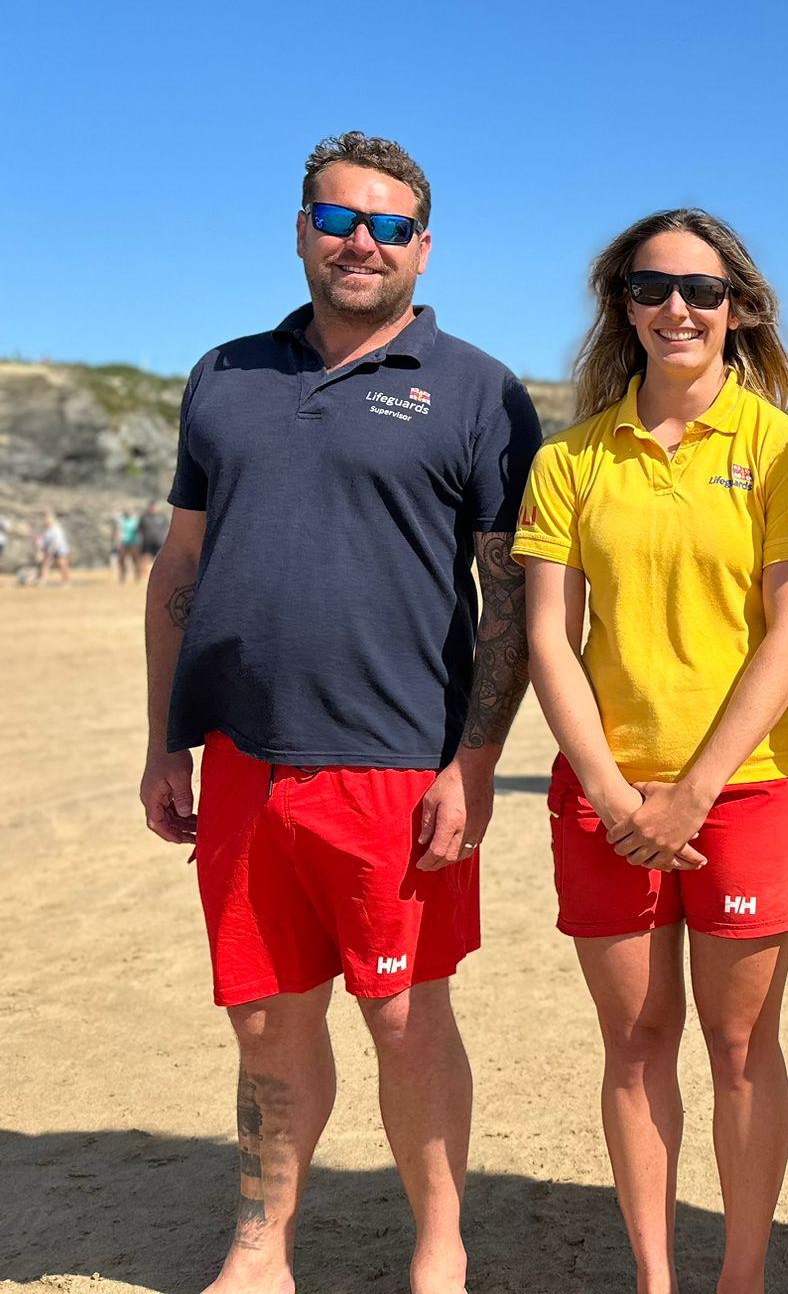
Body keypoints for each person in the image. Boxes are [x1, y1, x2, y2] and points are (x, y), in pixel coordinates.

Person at [137, 131, 541, 1294]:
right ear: (303, 226)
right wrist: (166, 739)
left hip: (395, 762)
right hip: (243, 761)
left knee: (405, 1017)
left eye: (389, 226)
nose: (362, 242)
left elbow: (506, 596)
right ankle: (262, 1247)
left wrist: (472, 762)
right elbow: (181, 569)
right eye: (339, 219)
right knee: (264, 1021)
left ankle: (438, 1248)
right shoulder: (224, 374)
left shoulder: (477, 390)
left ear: (423, 245)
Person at [515, 207, 788, 1294]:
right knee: (637, 1044)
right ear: (624, 307)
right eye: (652, 289)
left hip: (748, 790)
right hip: (605, 795)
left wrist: (690, 794)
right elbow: (548, 636)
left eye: (701, 290)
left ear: (737, 308)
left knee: (742, 1051)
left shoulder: (786, 449)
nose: (677, 309)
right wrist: (610, 790)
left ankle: (738, 1278)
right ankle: (655, 1280)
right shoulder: (568, 458)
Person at [38, 511, 72, 586]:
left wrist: (51, 550)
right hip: (50, 550)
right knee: (46, 565)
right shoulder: (46, 531)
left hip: (60, 550)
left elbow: (58, 541)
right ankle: (43, 581)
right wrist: (42, 549)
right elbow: (44, 541)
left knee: (62, 565)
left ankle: (66, 581)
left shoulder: (56, 529)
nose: (46, 522)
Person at [116, 508, 143, 582]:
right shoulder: (122, 521)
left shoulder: (135, 521)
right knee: (121, 560)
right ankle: (122, 576)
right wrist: (118, 542)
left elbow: (139, 530)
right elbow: (119, 531)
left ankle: (137, 577)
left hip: (134, 543)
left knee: (136, 560)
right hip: (124, 543)